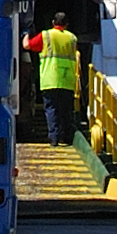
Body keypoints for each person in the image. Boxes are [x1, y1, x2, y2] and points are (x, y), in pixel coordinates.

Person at [34, 15, 82, 144]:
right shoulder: (72, 38)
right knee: (66, 110)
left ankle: (54, 138)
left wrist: (24, 35)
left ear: (53, 22)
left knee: (52, 108)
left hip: (50, 79)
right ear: (66, 24)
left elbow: (28, 45)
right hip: (67, 79)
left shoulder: (46, 35)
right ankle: (67, 136)